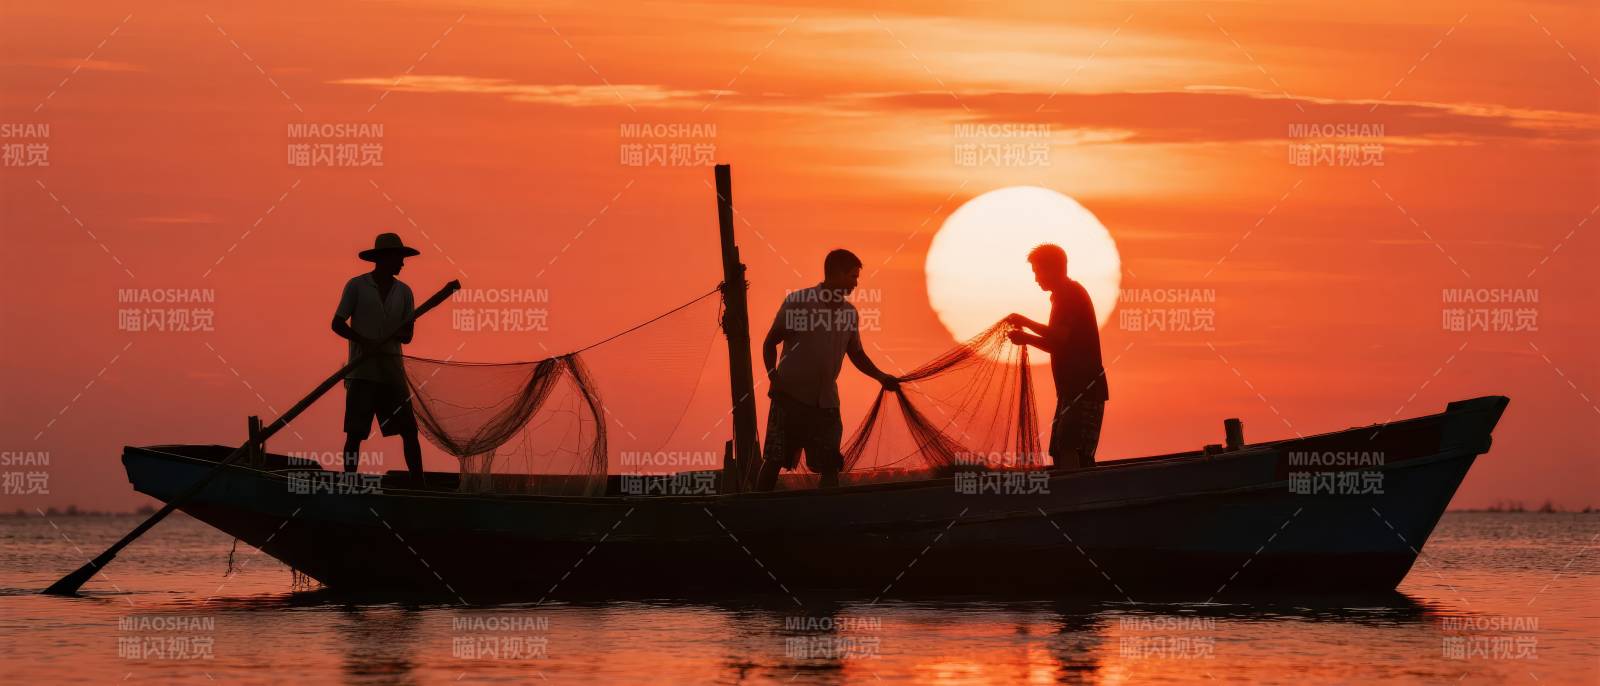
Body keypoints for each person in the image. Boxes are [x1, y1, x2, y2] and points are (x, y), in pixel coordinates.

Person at [758, 249, 899, 490]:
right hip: (790, 398)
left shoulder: (849, 313)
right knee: (774, 460)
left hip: (826, 403)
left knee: (831, 465)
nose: (856, 283)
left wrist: (880, 376)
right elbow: (770, 342)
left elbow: (856, 354)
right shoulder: (799, 303)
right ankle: (753, 512)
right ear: (836, 274)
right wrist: (773, 376)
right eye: (853, 277)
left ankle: (826, 516)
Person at [331, 232, 426, 483]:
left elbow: (407, 336)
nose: (402, 264)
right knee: (355, 432)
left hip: (392, 373)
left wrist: (397, 333)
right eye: (398, 258)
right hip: (362, 372)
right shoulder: (357, 286)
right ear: (384, 258)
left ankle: (419, 485)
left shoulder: (404, 292)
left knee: (409, 431)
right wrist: (365, 342)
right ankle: (348, 482)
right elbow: (337, 324)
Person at [1005, 244, 1109, 470]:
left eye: (1037, 272)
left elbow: (1059, 338)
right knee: (1062, 450)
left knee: (1071, 449)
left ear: (1053, 269)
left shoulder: (1070, 294)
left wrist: (1025, 326)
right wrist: (1026, 335)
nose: (1036, 279)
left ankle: (1080, 497)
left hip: (1084, 390)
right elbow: (1057, 344)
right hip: (1070, 391)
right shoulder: (1061, 296)